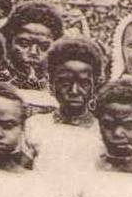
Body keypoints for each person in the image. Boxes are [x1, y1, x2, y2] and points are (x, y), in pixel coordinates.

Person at [24, 37, 107, 176]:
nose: (74, 90)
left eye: (84, 83)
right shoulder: (35, 125)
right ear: (52, 83)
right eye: (65, 82)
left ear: (95, 86)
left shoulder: (103, 131)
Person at [0, 1, 63, 114]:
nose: (33, 52)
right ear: (9, 41)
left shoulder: (60, 84)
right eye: (24, 44)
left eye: (44, 46)